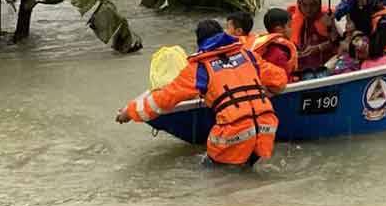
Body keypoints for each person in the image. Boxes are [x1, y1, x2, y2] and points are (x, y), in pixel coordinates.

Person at [115, 20, 288, 166]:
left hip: (234, 134)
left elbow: (163, 99)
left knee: (209, 180)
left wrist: (129, 112)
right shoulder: (248, 56)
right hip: (266, 128)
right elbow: (280, 79)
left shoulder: (199, 68)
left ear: (200, 43)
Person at [287, 0, 340, 73]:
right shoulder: (293, 20)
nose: (308, 9)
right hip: (303, 65)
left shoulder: (326, 18)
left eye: (312, 5)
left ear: (318, 4)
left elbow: (337, 42)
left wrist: (318, 48)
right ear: (299, 5)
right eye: (304, 5)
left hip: (324, 65)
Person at [250, 8, 299, 77]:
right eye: (289, 26)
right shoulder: (279, 54)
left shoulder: (265, 44)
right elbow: (282, 78)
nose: (292, 29)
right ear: (279, 29)